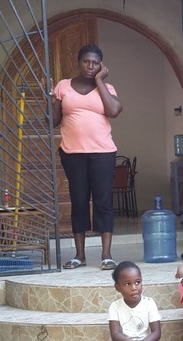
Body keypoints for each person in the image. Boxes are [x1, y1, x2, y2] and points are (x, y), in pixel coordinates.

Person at [50, 44, 123, 271]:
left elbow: (114, 111)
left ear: (101, 65)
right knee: (79, 202)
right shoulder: (63, 86)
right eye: (86, 61)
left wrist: (100, 81)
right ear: (78, 61)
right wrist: (50, 96)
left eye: (95, 62)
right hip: (73, 153)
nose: (90, 66)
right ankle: (79, 255)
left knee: (103, 202)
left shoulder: (107, 87)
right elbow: (53, 120)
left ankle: (106, 255)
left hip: (103, 153)